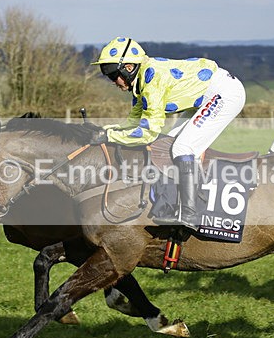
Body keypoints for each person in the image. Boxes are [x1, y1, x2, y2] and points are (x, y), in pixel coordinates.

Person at [91, 37, 246, 230]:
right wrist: (106, 130)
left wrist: (109, 137)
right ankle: (171, 204)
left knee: (183, 147)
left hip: (225, 93)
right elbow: (133, 122)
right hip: (206, 96)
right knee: (167, 146)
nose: (113, 81)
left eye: (113, 75)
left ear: (129, 67)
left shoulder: (153, 81)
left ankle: (191, 213)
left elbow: (147, 134)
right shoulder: (141, 81)